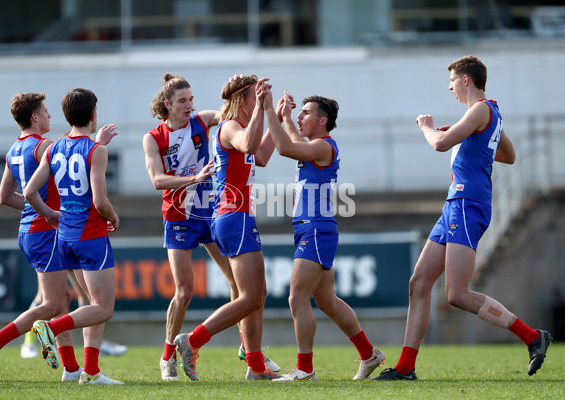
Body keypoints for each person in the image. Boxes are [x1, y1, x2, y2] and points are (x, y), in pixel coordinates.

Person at [373, 55, 552, 380]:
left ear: (466, 80)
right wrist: (472, 138)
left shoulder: (481, 109)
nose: (451, 87)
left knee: (456, 294)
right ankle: (405, 367)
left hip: (468, 204)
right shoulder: (487, 114)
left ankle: (533, 337)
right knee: (419, 283)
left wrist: (427, 128)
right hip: (456, 204)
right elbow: (508, 155)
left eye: (452, 81)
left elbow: (440, 144)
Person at [143, 73, 279, 380]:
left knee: (242, 288)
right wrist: (193, 178)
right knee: (185, 291)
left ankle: (250, 351)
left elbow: (232, 118)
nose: (190, 105)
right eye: (183, 101)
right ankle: (169, 354)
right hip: (180, 214)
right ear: (168, 105)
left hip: (210, 211)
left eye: (192, 99)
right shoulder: (154, 137)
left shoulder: (203, 121)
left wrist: (267, 110)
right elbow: (156, 180)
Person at [0, 92, 115, 382]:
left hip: (29, 231)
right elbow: (77, 166)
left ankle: (72, 369)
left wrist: (37, 209)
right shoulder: (46, 146)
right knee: (68, 304)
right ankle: (0, 341)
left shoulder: (13, 150)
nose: (50, 116)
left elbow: (5, 197)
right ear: (35, 117)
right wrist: (50, 212)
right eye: (45, 111)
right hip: (51, 230)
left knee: (62, 301)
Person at [259, 89, 385, 381]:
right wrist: (286, 117)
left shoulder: (323, 146)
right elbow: (291, 139)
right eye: (300, 112)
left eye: (306, 113)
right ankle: (369, 354)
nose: (301, 117)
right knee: (327, 301)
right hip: (310, 228)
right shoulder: (315, 144)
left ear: (322, 121)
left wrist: (269, 111)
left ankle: (305, 369)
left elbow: (285, 148)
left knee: (296, 299)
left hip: (316, 229)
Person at [24, 88, 123, 385]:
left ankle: (90, 373)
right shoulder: (97, 151)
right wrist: (114, 218)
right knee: (102, 308)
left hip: (64, 235)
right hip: (91, 236)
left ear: (67, 116)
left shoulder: (54, 148)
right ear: (93, 115)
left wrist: (49, 214)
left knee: (88, 305)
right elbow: (100, 202)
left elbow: (29, 192)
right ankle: (51, 330)